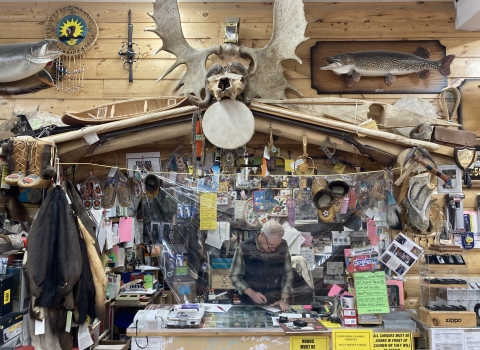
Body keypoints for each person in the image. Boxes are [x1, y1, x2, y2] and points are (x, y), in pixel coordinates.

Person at [229, 220, 293, 311]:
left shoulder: (283, 246)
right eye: (270, 245)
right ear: (262, 235)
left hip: (276, 302)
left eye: (276, 246)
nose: (273, 249)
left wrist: (284, 299)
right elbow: (234, 276)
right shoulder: (244, 248)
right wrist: (251, 293)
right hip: (250, 302)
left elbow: (288, 274)